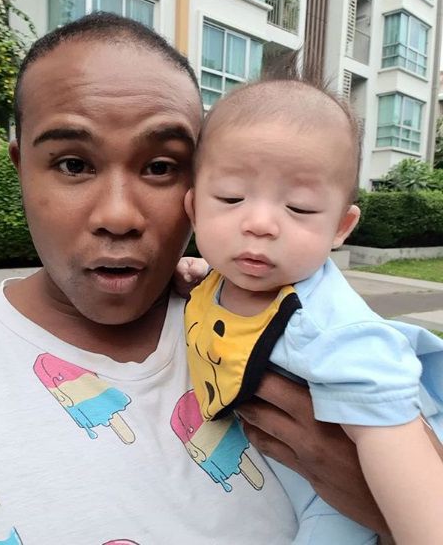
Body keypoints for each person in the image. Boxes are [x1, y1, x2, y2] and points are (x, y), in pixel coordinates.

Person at [0, 11, 394, 544]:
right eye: (73, 165)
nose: (119, 216)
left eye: (160, 167)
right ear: (20, 169)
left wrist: (382, 499)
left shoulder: (297, 336)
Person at [179, 77, 443, 544]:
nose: (260, 223)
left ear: (341, 227)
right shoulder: (225, 275)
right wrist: (198, 274)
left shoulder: (334, 333)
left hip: (341, 502)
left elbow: (400, 449)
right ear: (195, 208)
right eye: (232, 198)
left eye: (299, 207)